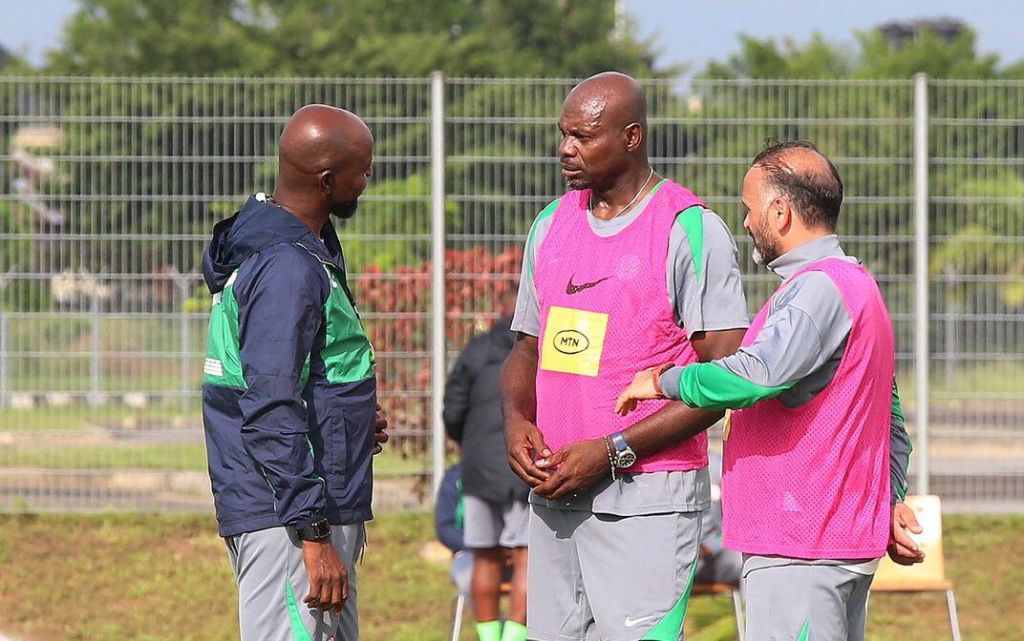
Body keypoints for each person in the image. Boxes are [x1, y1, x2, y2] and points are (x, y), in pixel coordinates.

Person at [615, 140, 923, 641]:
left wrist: (662, 379)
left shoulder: (818, 290)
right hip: (830, 540)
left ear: (780, 212)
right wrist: (888, 501)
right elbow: (892, 424)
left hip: (801, 542)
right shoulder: (857, 286)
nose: (747, 222)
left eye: (749, 209)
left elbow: (755, 375)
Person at [501, 71, 752, 641]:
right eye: (563, 135)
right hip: (557, 491)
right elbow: (527, 346)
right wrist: (516, 421)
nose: (566, 149)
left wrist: (613, 452)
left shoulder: (690, 229)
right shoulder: (550, 224)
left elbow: (725, 377)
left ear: (632, 137)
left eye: (584, 137)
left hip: (649, 497)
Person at [201, 104, 387, 641]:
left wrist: (349, 423)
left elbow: (294, 379)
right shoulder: (286, 266)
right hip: (289, 520)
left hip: (306, 505)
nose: (367, 179)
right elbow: (269, 404)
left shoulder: (302, 249)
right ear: (327, 180)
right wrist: (311, 532)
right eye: (363, 169)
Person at [444, 288, 530, 641]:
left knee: (484, 555)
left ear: (500, 309)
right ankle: (516, 636)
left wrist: (470, 446)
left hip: (478, 470)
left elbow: (452, 409)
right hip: (527, 464)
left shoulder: (475, 350)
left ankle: (488, 635)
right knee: (527, 556)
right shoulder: (536, 349)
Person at [694, 452, 742, 587]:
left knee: (745, 560)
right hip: (679, 553)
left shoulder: (719, 465)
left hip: (717, 554)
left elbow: (734, 521)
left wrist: (710, 546)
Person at [435, 461, 473, 597]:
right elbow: (445, 528)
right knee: (468, 580)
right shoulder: (455, 477)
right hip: (469, 553)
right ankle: (497, 618)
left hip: (517, 556)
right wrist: (478, 546)